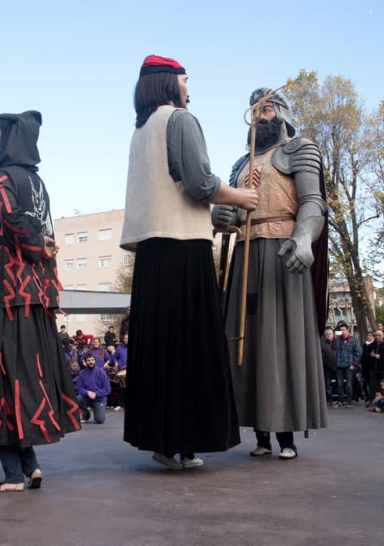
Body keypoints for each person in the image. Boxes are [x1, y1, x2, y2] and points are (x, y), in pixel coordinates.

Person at [120, 55, 257, 469]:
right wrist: (239, 196)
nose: (189, 88)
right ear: (169, 83)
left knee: (160, 351)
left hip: (152, 254)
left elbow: (171, 190)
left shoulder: (140, 132)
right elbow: (198, 183)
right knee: (190, 347)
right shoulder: (180, 120)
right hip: (182, 249)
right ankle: (187, 439)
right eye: (185, 80)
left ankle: (163, 440)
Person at [0, 111, 80, 493]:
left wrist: (7, 225)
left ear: (13, 141)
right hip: (34, 297)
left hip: (3, 296)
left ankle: (11, 476)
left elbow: (13, 220)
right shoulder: (37, 181)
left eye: (1, 136)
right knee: (25, 377)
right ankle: (32, 466)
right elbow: (24, 224)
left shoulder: (1, 177)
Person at [212, 86, 328, 459]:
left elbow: (313, 202)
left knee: (280, 342)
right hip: (245, 255)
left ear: (281, 112)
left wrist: (305, 238)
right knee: (245, 343)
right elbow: (223, 211)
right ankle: (259, 433)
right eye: (255, 109)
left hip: (282, 253)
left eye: (267, 108)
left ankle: (286, 435)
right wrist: (222, 214)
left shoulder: (300, 149)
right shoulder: (239, 164)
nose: (260, 115)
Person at [331, 324, 362, 409]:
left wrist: (354, 364)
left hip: (349, 365)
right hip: (339, 365)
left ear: (348, 330)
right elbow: (334, 347)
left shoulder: (353, 340)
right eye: (341, 330)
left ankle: (349, 401)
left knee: (349, 384)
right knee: (339, 384)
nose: (342, 331)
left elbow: (358, 353)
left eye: (344, 329)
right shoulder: (338, 339)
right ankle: (340, 401)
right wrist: (336, 338)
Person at [76, 354, 111, 424]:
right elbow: (79, 388)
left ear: (95, 361)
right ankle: (86, 414)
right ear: (85, 362)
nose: (90, 362)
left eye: (92, 360)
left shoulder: (101, 373)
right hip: (87, 398)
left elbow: (107, 389)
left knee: (100, 420)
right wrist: (87, 392)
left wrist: (96, 393)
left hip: (99, 400)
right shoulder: (82, 373)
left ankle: (97, 410)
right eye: (88, 360)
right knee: (77, 398)